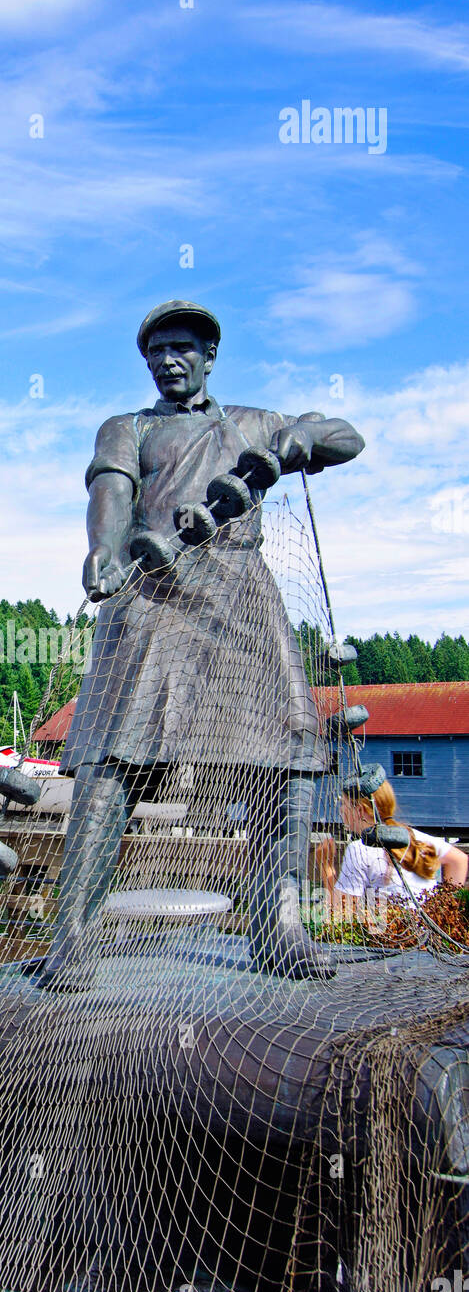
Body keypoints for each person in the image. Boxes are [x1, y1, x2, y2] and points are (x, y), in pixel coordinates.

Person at [42, 299, 366, 986]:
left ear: (209, 355)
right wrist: (103, 550)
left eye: (182, 348)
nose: (169, 361)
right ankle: (72, 932)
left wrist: (296, 443)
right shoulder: (125, 428)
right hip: (151, 592)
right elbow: (110, 491)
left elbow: (345, 437)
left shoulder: (251, 423)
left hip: (241, 593)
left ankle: (276, 927)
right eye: (156, 352)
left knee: (288, 755)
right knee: (111, 762)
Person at [330, 777, 467, 907]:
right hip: (427, 929)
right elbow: (459, 860)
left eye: (343, 803)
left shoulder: (359, 849)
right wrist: (447, 907)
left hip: (390, 930)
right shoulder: (414, 836)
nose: (341, 810)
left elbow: (341, 910)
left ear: (359, 810)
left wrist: (326, 866)